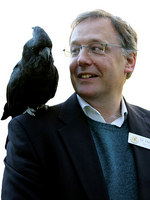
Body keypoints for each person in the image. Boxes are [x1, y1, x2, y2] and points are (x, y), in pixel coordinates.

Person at [1, 9, 150, 200]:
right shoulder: (29, 132)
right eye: (75, 50)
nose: (81, 59)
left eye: (96, 48)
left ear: (129, 61)